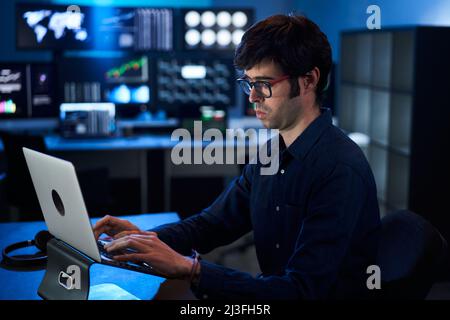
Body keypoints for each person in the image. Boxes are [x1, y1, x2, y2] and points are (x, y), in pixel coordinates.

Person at [93, 14, 381, 299]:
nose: (252, 97)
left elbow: (301, 291)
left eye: (264, 84)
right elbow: (212, 224)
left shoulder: (339, 170)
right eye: (249, 83)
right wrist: (146, 238)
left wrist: (191, 269)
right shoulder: (272, 151)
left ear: (308, 81)